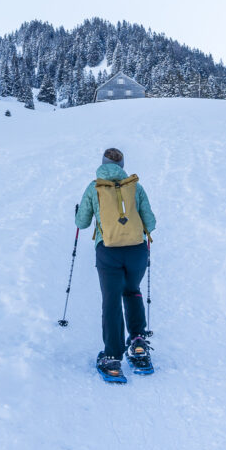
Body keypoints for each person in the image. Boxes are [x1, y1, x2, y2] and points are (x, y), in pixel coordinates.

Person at [74, 147, 157, 379]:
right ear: (122, 166)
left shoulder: (94, 188)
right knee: (132, 291)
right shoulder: (135, 186)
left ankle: (112, 358)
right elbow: (150, 223)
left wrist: (79, 212)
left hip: (108, 251)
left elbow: (81, 223)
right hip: (137, 251)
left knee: (111, 300)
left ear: (102, 164)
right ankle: (138, 344)